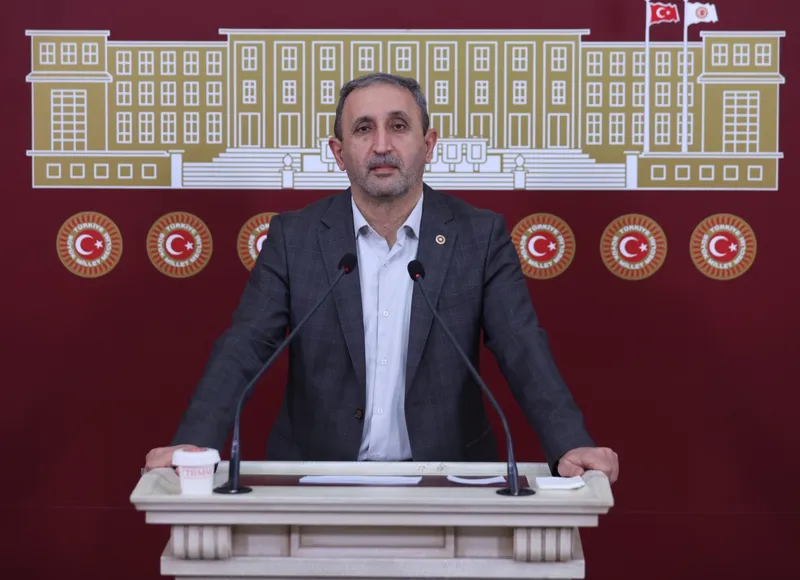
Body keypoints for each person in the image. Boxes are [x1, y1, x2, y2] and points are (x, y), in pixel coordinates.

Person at [145, 72, 619, 484]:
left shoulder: (479, 236)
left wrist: (569, 443)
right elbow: (245, 345)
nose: (382, 146)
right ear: (338, 152)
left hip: (446, 479)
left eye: (398, 126)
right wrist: (196, 442)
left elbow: (521, 345)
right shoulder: (296, 237)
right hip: (318, 480)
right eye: (363, 129)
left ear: (428, 145)